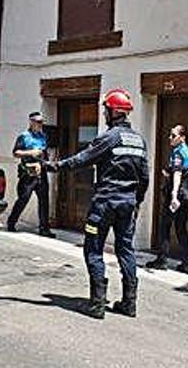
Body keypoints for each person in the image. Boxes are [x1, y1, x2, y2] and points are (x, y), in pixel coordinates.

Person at [45, 89, 149, 319]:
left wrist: (52, 166)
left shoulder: (109, 138)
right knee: (125, 250)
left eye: (105, 110)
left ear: (113, 112)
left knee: (93, 249)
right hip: (127, 205)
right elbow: (145, 177)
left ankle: (97, 304)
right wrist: (136, 201)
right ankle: (129, 304)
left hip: (104, 204)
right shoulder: (139, 141)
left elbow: (81, 160)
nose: (104, 113)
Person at [146, 124, 188, 274]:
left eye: (173, 135)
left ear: (182, 137)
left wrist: (174, 195)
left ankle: (162, 260)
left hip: (177, 194)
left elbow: (178, 174)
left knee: (165, 226)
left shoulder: (178, 152)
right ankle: (187, 263)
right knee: (181, 227)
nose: (170, 138)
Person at [5, 111, 55, 238]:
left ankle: (44, 229)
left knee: (44, 200)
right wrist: (31, 153)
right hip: (27, 172)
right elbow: (16, 153)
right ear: (31, 122)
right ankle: (11, 222)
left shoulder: (43, 136)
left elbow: (45, 151)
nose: (40, 124)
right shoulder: (24, 136)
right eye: (38, 122)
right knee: (23, 198)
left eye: (41, 122)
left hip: (41, 170)